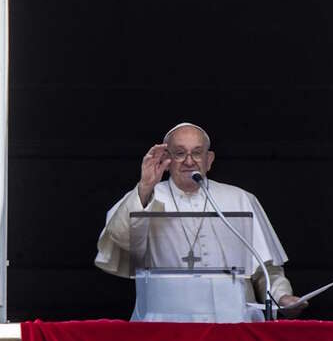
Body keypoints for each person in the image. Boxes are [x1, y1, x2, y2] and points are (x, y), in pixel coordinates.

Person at [95, 122, 304, 314]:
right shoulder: (145, 196)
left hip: (231, 321)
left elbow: (267, 270)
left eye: (197, 153)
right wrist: (145, 186)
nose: (189, 161)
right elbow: (121, 239)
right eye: (179, 153)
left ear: (209, 159)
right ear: (167, 159)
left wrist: (281, 297)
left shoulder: (240, 198)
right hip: (166, 322)